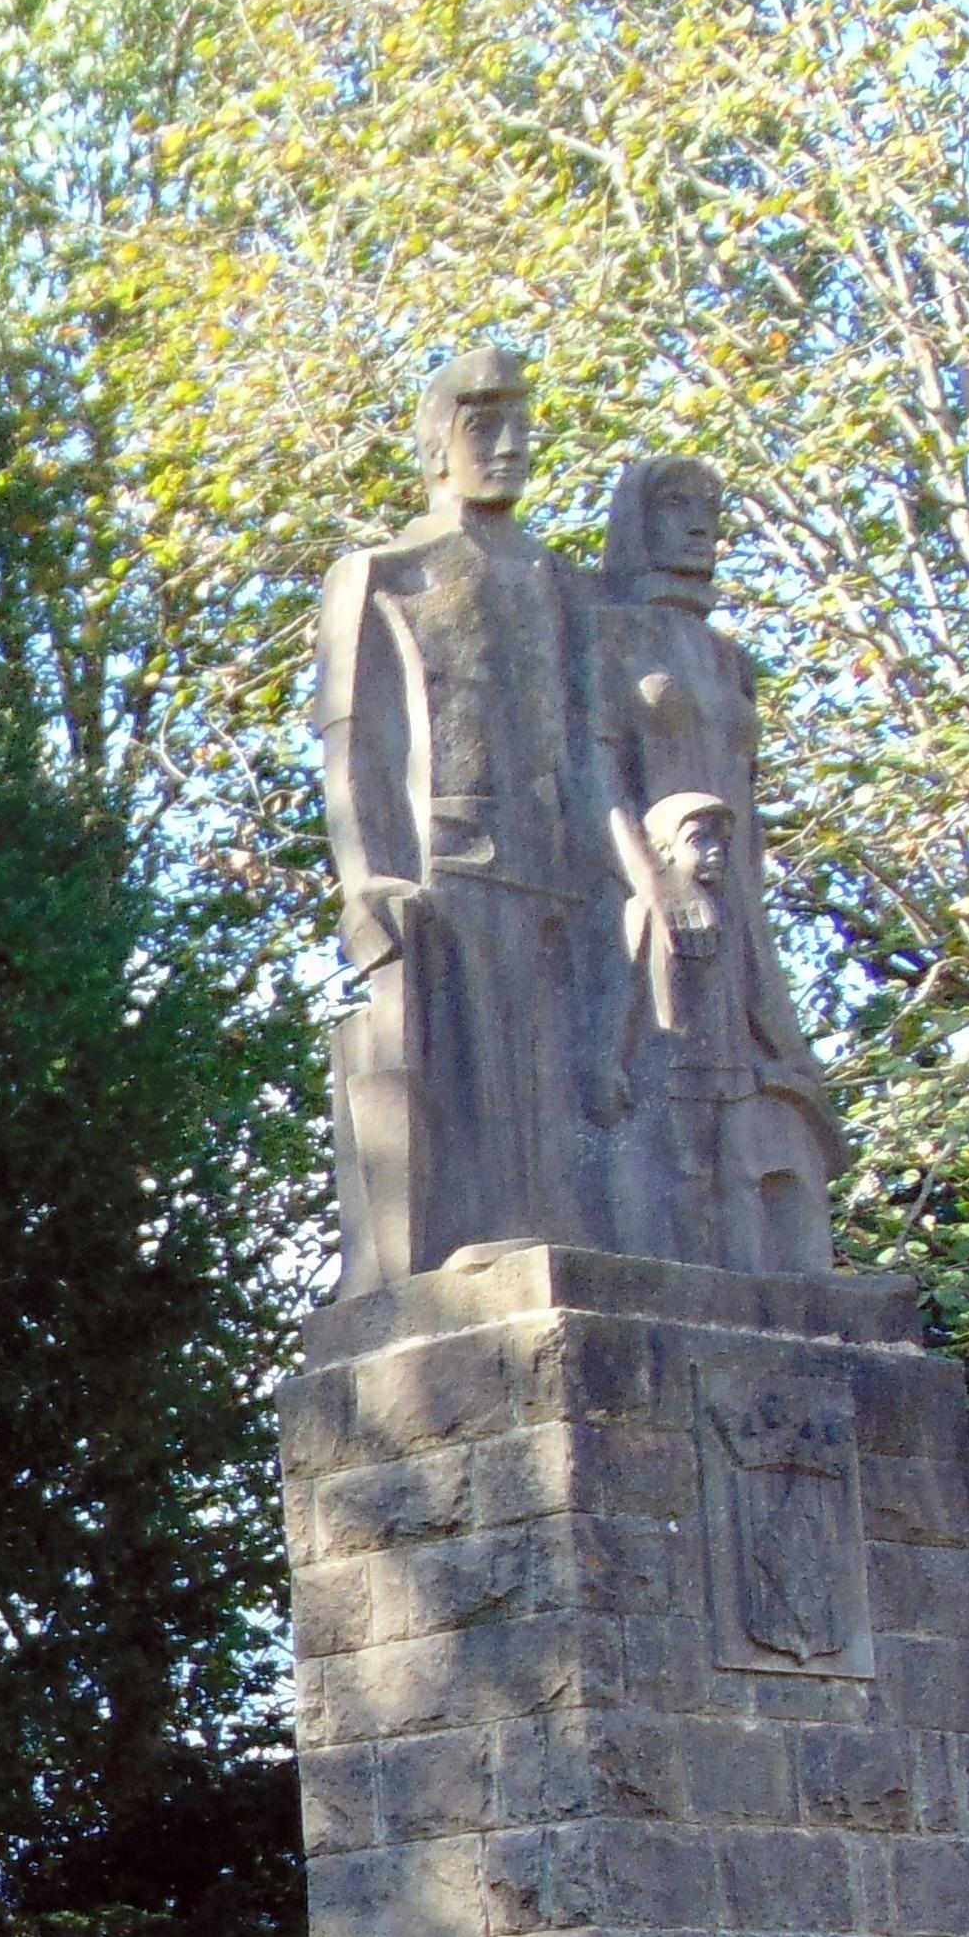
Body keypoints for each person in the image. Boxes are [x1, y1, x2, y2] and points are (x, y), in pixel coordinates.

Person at [313, 346, 626, 1288]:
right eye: (481, 420)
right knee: (479, 1067)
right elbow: (351, 737)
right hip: (454, 862)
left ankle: (576, 1243)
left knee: (580, 1077)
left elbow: (599, 742)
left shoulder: (566, 588)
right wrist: (363, 875)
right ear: (436, 441)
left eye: (521, 419)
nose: (510, 442)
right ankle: (483, 1247)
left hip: (569, 864)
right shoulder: (386, 573)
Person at [595, 453, 841, 1273]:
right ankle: (666, 1250)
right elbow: (593, 775)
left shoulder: (731, 658)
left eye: (711, 505)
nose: (701, 523)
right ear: (637, 519)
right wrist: (653, 881)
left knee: (763, 1079)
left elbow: (751, 797)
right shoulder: (610, 635)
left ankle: (756, 1257)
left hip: (734, 889)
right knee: (667, 1079)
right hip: (642, 881)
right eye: (676, 504)